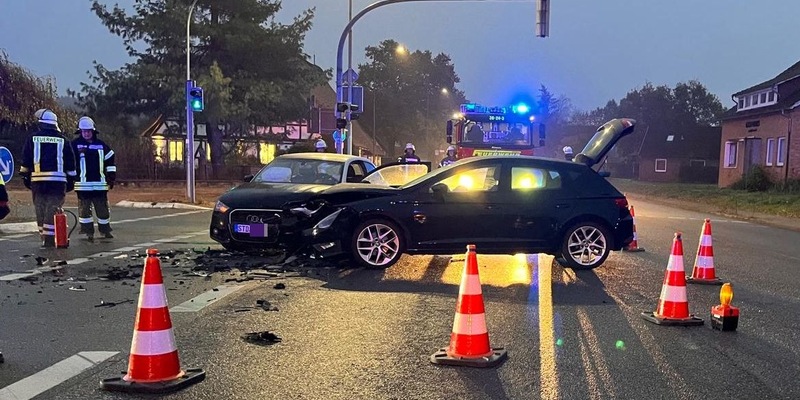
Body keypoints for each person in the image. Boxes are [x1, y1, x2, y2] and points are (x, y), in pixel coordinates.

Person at [19, 109, 77, 247]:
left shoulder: (32, 138)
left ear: (41, 124)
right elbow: (71, 163)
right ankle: (51, 239)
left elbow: (26, 160)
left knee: (40, 209)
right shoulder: (64, 140)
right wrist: (71, 181)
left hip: (38, 183)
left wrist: (26, 177)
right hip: (57, 183)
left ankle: (45, 238)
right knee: (53, 209)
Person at [72, 116, 116, 241]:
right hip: (82, 185)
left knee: (102, 210)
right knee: (84, 210)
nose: (86, 133)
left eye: (88, 131)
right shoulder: (74, 145)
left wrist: (111, 177)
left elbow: (110, 161)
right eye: (84, 131)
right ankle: (87, 231)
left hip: (100, 184)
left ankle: (105, 230)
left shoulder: (102, 145)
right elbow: (68, 161)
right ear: (80, 132)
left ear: (93, 131)